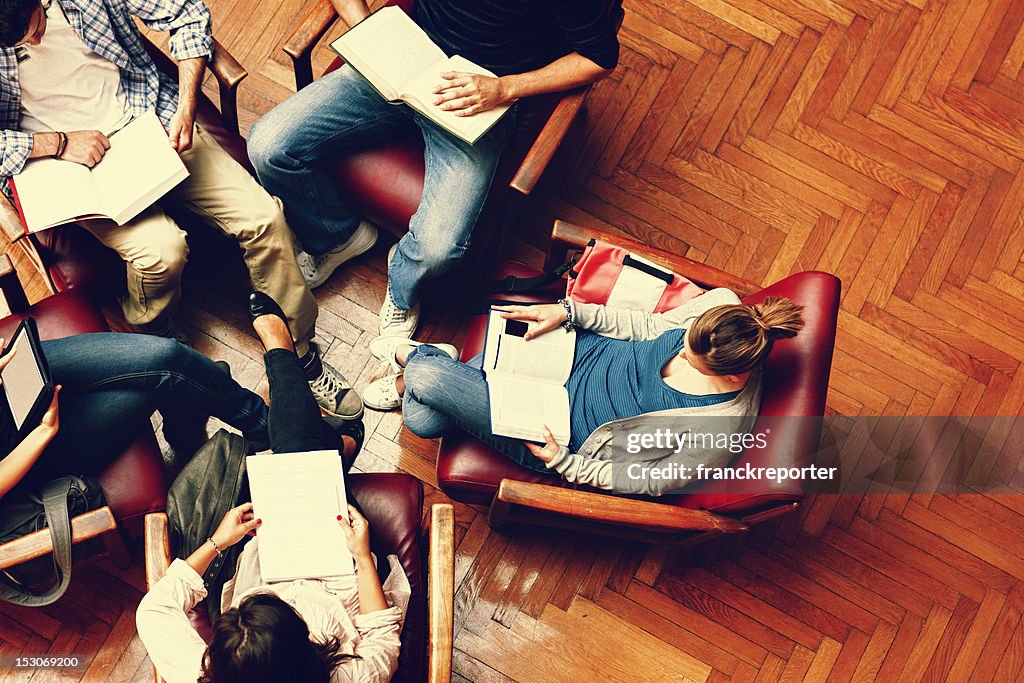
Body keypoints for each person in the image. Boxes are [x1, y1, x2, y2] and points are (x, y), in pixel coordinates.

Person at [0, 0, 363, 420]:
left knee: (264, 219)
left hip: (148, 120)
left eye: (37, 26)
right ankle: (155, 329)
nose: (37, 41)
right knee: (161, 252)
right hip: (66, 164)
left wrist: (187, 104)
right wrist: (60, 143)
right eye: (22, 44)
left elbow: (187, 12)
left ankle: (298, 353)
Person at [247, 0, 619, 341]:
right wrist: (370, 33)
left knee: (438, 249)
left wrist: (505, 88)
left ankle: (403, 286)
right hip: (402, 63)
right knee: (268, 147)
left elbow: (599, 58)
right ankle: (338, 236)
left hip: (478, 98)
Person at [137, 293, 405, 683]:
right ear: (305, 651)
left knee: (291, 452)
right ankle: (284, 357)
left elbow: (154, 609)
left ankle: (329, 430)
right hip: (342, 575)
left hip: (268, 560)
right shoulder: (353, 679)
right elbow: (381, 635)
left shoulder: (202, 675)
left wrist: (218, 542)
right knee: (294, 446)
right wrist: (362, 557)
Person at [362, 290, 805, 495]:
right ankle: (428, 364)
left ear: (731, 378)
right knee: (426, 411)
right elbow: (646, 326)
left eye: (691, 360)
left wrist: (565, 464)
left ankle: (415, 358)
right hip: (568, 356)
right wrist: (567, 311)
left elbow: (653, 481)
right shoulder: (718, 308)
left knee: (425, 414)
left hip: (563, 430)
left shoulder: (721, 427)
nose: (681, 354)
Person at [0, 332, 272, 500]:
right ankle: (268, 428)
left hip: (11, 380)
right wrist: (42, 433)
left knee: (168, 355)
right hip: (26, 450)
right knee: (168, 381)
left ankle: (194, 419)